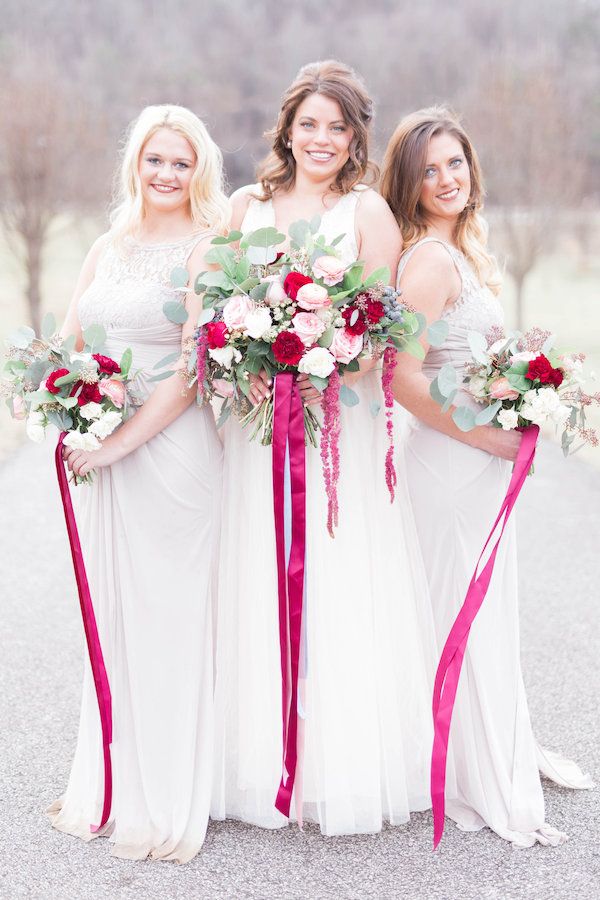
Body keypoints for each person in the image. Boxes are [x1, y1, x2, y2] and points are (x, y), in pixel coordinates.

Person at [212, 61, 437, 836]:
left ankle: (338, 765)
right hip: (258, 429)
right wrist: (247, 362)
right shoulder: (248, 205)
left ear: (354, 138)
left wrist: (320, 369)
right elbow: (217, 309)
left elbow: (376, 327)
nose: (321, 139)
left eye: (337, 127)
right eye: (309, 123)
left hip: (331, 420)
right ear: (286, 128)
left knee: (337, 580)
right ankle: (263, 761)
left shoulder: (367, 209)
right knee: (260, 572)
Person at [381, 106, 592, 847]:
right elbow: (402, 379)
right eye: (428, 169)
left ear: (472, 169)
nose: (445, 179)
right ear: (407, 184)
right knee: (458, 618)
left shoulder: (462, 252)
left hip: (473, 462)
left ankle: (484, 750)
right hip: (448, 465)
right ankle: (468, 770)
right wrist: (484, 437)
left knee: (478, 616)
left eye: (455, 163)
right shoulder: (431, 262)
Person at [49, 104, 228, 863]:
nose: (166, 174)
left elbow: (192, 374)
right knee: (118, 616)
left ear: (200, 172)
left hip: (173, 454)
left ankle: (172, 796)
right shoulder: (107, 244)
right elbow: (66, 343)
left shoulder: (206, 249)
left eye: (181, 162)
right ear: (135, 164)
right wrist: (63, 406)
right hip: (105, 454)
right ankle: (114, 781)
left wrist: (116, 442)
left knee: (171, 621)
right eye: (155, 159)